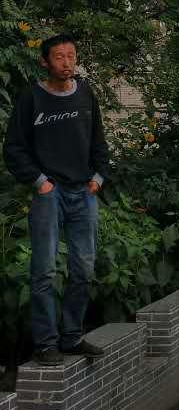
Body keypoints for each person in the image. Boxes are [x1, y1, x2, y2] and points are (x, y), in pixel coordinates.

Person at [3, 34, 109, 366]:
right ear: (45, 62)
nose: (67, 62)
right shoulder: (31, 99)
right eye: (59, 57)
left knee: (83, 270)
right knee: (44, 272)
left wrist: (99, 177)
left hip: (83, 193)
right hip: (49, 194)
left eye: (71, 56)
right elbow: (14, 148)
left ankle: (72, 336)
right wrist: (40, 183)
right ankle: (46, 343)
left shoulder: (86, 94)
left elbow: (98, 141)